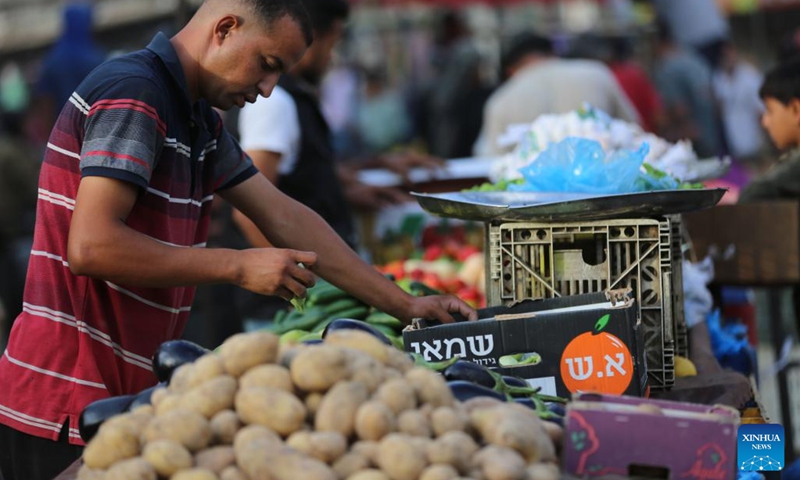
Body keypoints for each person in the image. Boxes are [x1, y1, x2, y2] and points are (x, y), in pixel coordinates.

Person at [0, 1, 476, 479]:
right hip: (65, 397)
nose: (267, 89)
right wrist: (238, 265)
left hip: (122, 392)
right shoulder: (136, 93)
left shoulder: (197, 117)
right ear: (225, 29)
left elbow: (283, 214)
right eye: (266, 66)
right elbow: (92, 246)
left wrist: (404, 305)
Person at [475, 32, 640, 156]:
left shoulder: (502, 98)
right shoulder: (596, 72)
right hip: (607, 193)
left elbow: (489, 158)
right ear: (552, 53)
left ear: (510, 70)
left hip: (534, 200)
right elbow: (634, 130)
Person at [30, 3, 106, 144]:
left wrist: (49, 141)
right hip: (94, 134)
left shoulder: (52, 60)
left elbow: (46, 103)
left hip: (63, 136)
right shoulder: (97, 59)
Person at [652, 19, 724, 159]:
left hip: (693, 139)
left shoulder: (666, 68)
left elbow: (679, 109)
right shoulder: (692, 57)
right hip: (711, 133)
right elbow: (715, 100)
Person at [712, 41, 765, 164]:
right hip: (733, 129)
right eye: (724, 56)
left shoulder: (749, 74)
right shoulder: (719, 77)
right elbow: (720, 106)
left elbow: (759, 105)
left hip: (752, 127)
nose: (729, 58)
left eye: (730, 54)